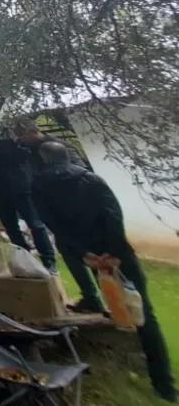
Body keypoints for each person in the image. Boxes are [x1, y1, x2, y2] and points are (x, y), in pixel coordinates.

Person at [33, 141, 176, 402]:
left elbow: (55, 226)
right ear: (68, 156)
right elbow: (113, 216)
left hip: (89, 256)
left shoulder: (39, 187)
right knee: (144, 313)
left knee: (118, 305)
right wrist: (114, 253)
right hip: (115, 255)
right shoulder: (91, 180)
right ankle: (163, 384)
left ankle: (133, 365)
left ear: (44, 159)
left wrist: (85, 254)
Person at [12, 119, 102, 310]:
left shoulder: (58, 146)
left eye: (22, 136)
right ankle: (91, 298)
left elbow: (80, 172)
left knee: (93, 255)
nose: (21, 140)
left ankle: (111, 300)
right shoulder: (30, 151)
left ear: (32, 132)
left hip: (77, 211)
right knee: (71, 255)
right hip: (57, 213)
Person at [0, 110, 56, 271]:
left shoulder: (6, 132)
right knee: (12, 228)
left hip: (18, 186)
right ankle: (26, 261)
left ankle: (49, 260)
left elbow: (22, 154)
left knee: (35, 224)